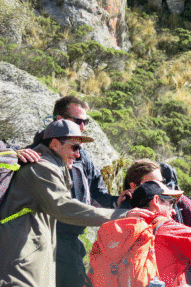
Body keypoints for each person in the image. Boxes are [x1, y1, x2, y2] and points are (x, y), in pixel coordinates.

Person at [0, 120, 147, 287]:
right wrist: (122, 215)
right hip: (20, 264)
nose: (78, 155)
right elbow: (64, 207)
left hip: (26, 260)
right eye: (74, 147)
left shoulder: (52, 167)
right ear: (55, 144)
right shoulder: (42, 169)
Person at [17, 96, 129, 287]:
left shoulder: (81, 155)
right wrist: (12, 154)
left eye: (85, 122)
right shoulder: (35, 156)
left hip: (72, 241)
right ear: (59, 119)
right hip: (42, 241)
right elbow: (62, 207)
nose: (83, 127)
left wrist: (119, 204)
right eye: (78, 121)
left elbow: (96, 193)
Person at [121, 159, 191, 286]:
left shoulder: (180, 204)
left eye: (161, 182)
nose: (159, 188)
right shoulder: (125, 209)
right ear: (134, 186)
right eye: (152, 183)